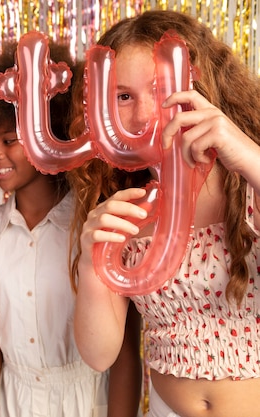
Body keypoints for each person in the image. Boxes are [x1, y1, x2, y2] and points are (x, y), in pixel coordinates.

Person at [71, 10, 260, 417]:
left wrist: (250, 158)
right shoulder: (124, 202)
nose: (142, 116)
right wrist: (91, 264)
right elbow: (99, 354)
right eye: (123, 97)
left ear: (198, 85)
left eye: (159, 90)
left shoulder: (249, 178)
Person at [0, 40, 142, 417]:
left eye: (9, 140)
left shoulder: (95, 223)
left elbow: (126, 349)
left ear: (48, 130)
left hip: (87, 401)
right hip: (13, 402)